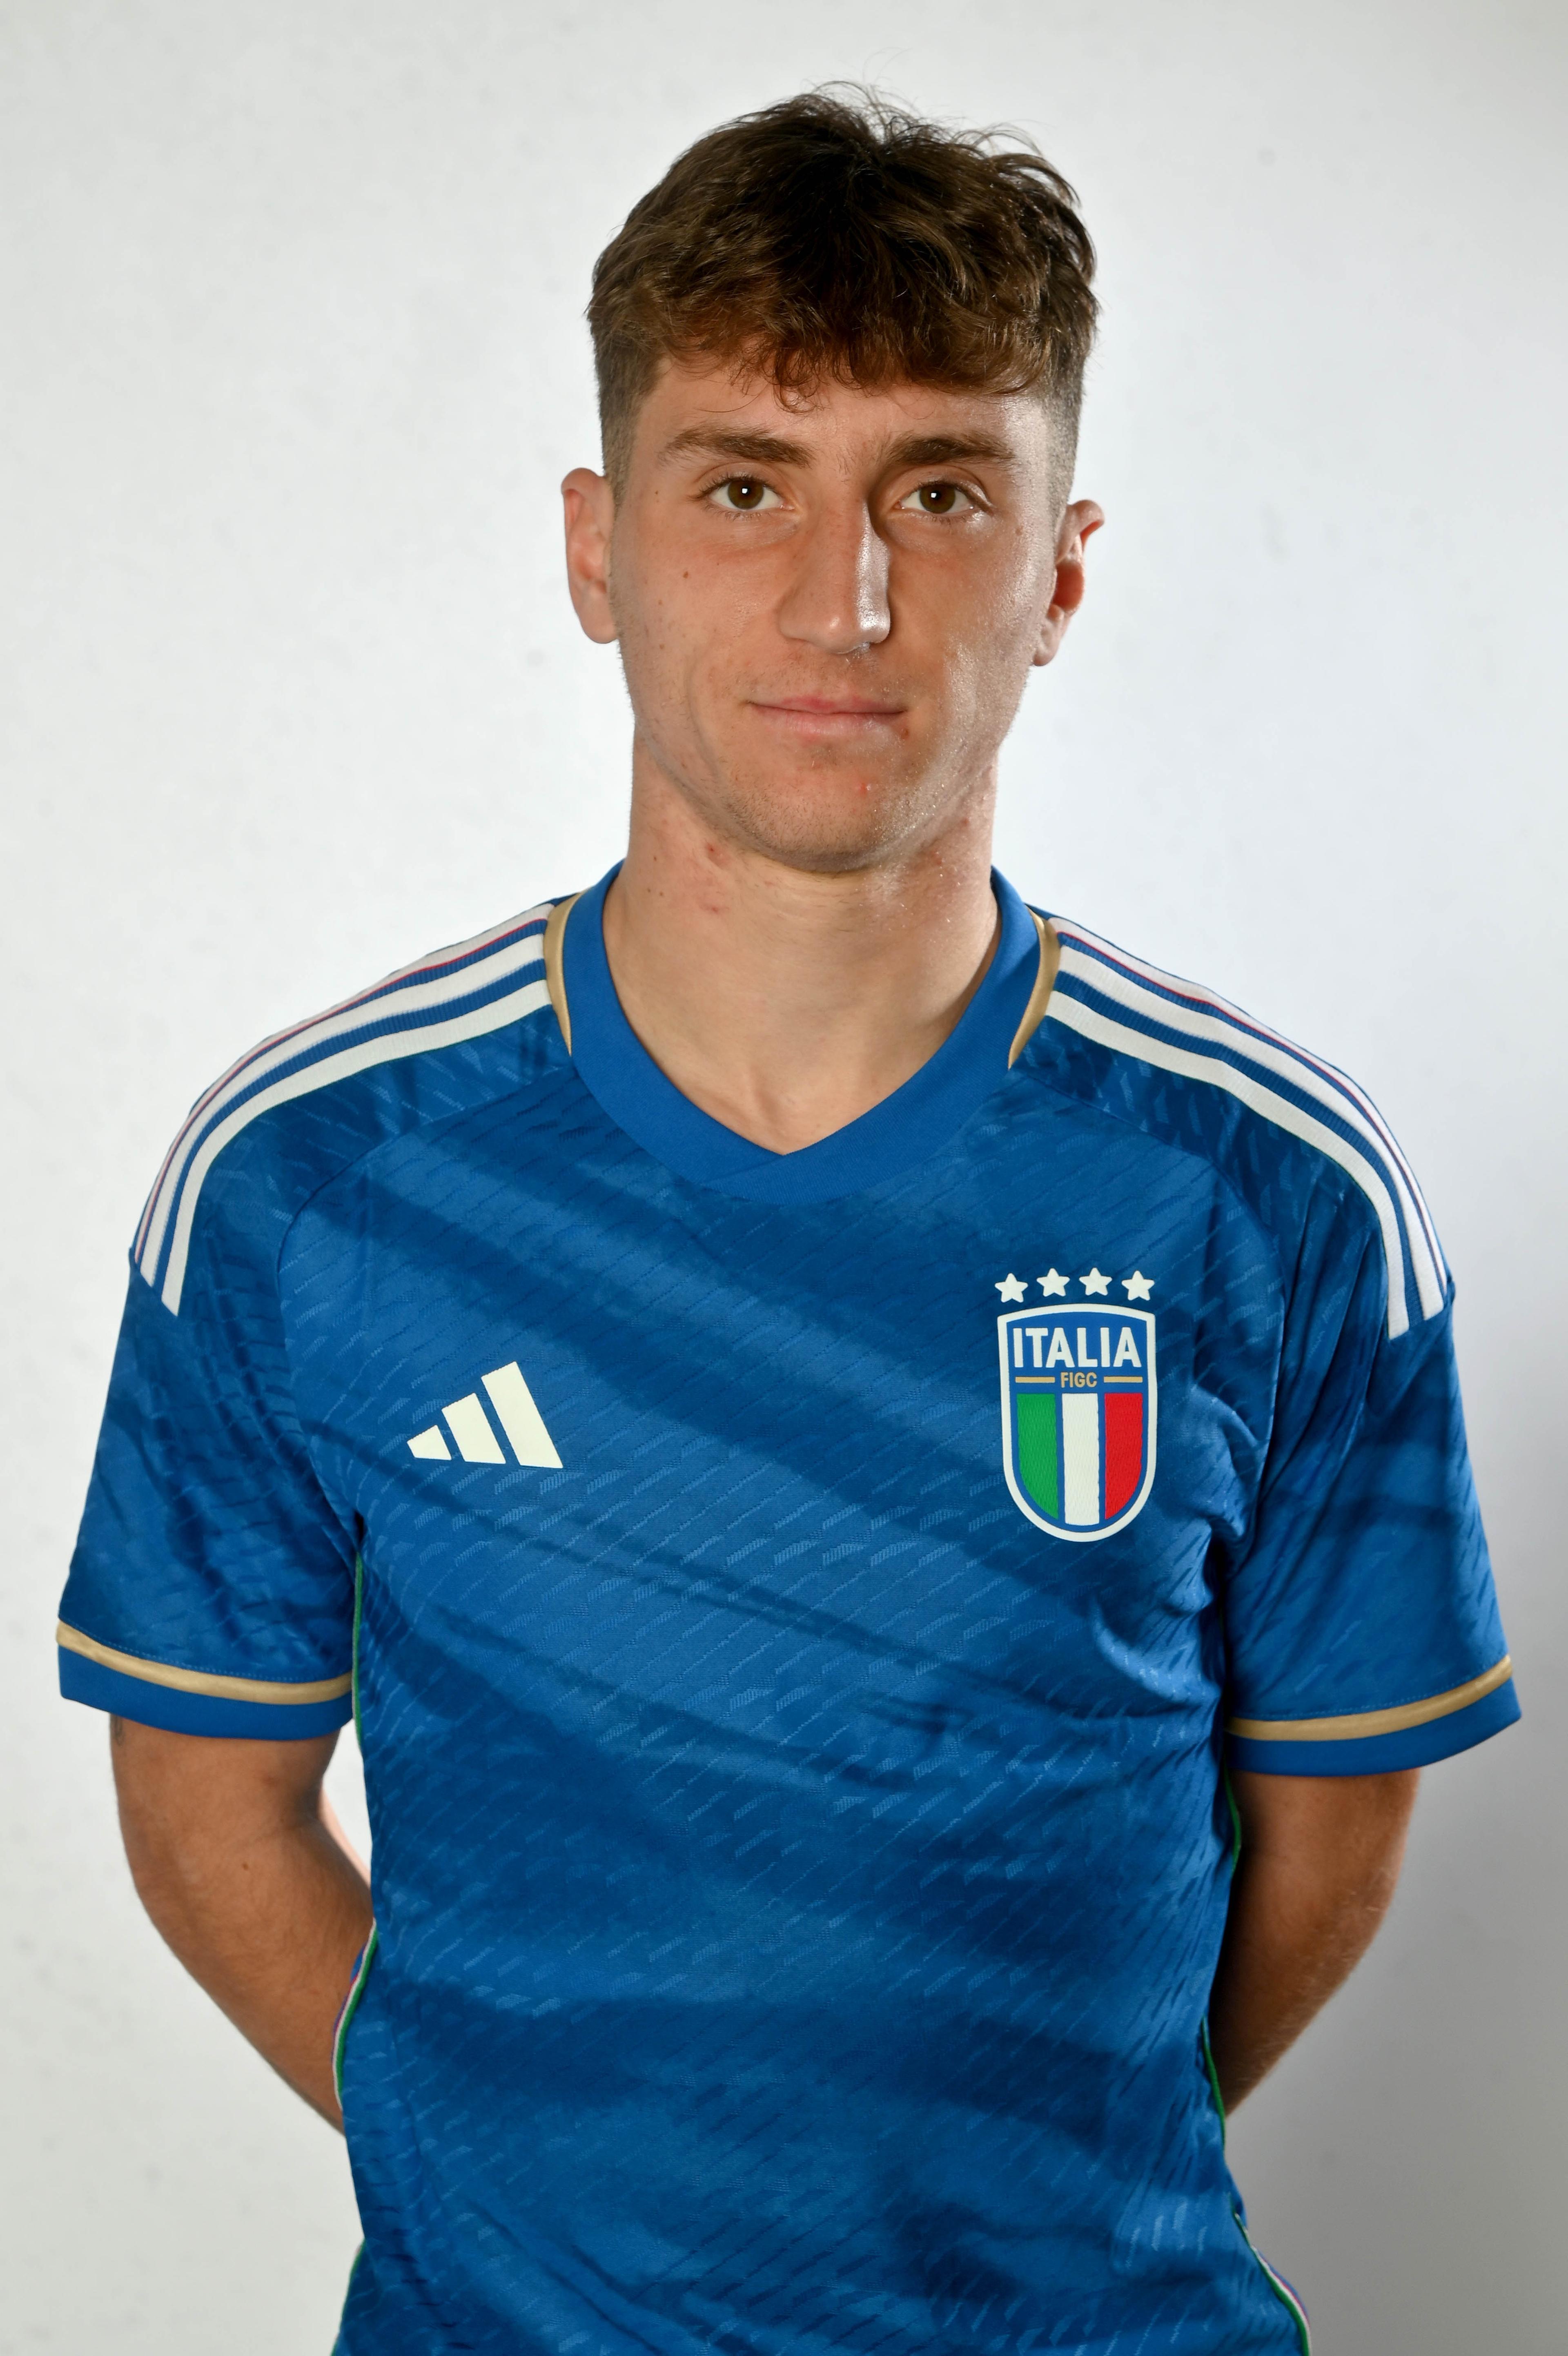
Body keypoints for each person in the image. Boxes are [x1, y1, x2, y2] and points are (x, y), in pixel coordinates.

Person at [58, 89, 1517, 2356]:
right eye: (745, 483)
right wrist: (532, 2202)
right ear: (595, 547)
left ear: (1061, 569)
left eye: (939, 493)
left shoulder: (1272, 1189)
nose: (844, 599)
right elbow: (206, 1804)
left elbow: (1329, 1831)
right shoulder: (310, 1179)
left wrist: (1034, 2184)